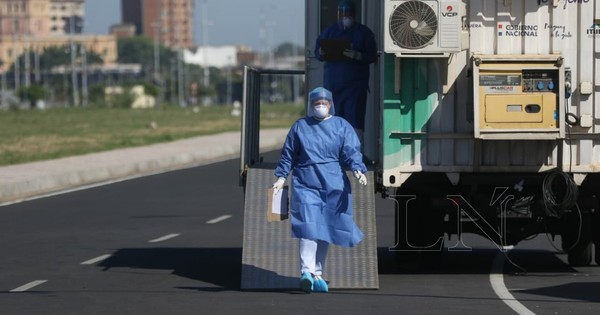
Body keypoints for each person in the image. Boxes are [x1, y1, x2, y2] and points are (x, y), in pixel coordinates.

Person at [272, 87, 368, 293]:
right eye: (317, 103)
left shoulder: (341, 126)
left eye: (324, 103)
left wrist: (358, 169)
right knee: (308, 226)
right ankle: (306, 271)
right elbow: (288, 153)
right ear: (311, 104)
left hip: (333, 184)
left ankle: (317, 273)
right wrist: (281, 176)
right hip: (306, 182)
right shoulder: (300, 127)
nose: (321, 106)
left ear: (331, 104)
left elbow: (351, 151)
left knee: (325, 229)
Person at [314, 0, 377, 147]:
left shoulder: (364, 33)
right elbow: (318, 52)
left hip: (355, 87)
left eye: (348, 13)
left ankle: (354, 154)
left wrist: (357, 56)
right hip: (334, 86)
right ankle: (334, 155)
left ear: (354, 14)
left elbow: (372, 56)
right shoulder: (329, 32)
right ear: (338, 14)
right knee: (333, 119)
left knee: (354, 120)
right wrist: (321, 53)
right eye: (342, 13)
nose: (345, 16)